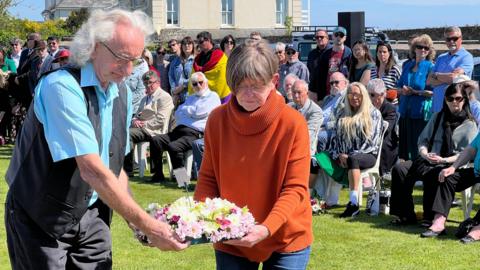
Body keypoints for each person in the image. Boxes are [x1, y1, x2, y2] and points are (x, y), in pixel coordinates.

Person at [4, 9, 187, 269]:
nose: (127, 71)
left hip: (92, 215)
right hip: (40, 216)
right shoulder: (62, 87)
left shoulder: (121, 92)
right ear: (93, 48)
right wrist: (151, 226)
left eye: (134, 61)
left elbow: (113, 169)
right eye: (122, 58)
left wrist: (136, 223)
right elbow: (92, 170)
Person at [194, 39, 312, 269]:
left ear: (274, 81)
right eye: (240, 85)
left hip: (286, 238)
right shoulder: (217, 120)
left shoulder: (293, 123)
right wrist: (198, 217)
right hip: (231, 236)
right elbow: (208, 178)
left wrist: (266, 228)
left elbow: (295, 188)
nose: (247, 94)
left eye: (256, 85)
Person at [390, 83, 476, 227]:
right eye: (450, 98)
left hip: (451, 164)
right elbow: (422, 140)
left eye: (458, 98)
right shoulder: (437, 117)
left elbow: (467, 153)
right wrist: (424, 154)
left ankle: (429, 217)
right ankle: (405, 214)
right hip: (427, 160)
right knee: (400, 169)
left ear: (465, 100)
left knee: (434, 173)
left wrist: (444, 159)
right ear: (445, 100)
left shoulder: (470, 124)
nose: (454, 102)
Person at [319, 82, 383, 217]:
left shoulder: (374, 114)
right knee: (318, 158)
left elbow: (372, 141)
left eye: (357, 94)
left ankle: (353, 204)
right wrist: (339, 154)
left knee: (353, 159)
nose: (354, 97)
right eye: (351, 94)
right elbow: (337, 138)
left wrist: (349, 155)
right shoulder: (343, 113)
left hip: (367, 154)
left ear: (363, 95)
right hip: (345, 155)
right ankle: (312, 198)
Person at [150, 71, 220, 182]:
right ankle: (158, 174)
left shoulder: (213, 97)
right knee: (156, 140)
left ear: (206, 82)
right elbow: (178, 113)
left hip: (195, 134)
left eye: (200, 82)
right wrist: (191, 112)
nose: (198, 86)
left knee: (174, 147)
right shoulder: (191, 98)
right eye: (195, 84)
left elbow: (200, 111)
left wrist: (187, 111)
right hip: (179, 130)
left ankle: (182, 180)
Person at [124, 70, 174, 176]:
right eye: (145, 83)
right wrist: (134, 121)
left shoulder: (164, 97)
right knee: (124, 132)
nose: (148, 85)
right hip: (143, 130)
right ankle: (127, 167)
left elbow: (161, 119)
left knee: (128, 134)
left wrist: (143, 124)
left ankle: (128, 170)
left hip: (156, 131)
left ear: (158, 82)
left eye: (151, 82)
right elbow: (137, 115)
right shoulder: (144, 99)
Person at [397, 34, 435, 161]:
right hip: (404, 111)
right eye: (420, 47)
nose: (423, 50)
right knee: (405, 146)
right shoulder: (407, 65)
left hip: (419, 113)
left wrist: (415, 92)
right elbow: (398, 87)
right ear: (414, 49)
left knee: (418, 146)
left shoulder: (430, 66)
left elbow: (433, 92)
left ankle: (419, 174)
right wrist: (403, 90)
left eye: (426, 48)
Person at [428, 26, 474, 114]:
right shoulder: (441, 57)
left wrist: (436, 75)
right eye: (448, 39)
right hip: (437, 110)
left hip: (455, 111)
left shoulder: (466, 57)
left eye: (454, 38)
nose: (451, 41)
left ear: (461, 39)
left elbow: (454, 78)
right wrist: (447, 79)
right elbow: (429, 80)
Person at [288, 79, 323, 192]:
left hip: (307, 150)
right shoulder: (288, 107)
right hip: (287, 147)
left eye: (299, 92)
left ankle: (307, 193)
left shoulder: (315, 111)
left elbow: (307, 135)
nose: (296, 95)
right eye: (294, 92)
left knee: (313, 163)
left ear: (307, 93)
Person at [309, 26, 352, 102]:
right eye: (336, 35)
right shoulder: (326, 54)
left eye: (341, 35)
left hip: (343, 95)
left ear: (345, 38)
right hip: (327, 95)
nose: (338, 37)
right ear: (332, 37)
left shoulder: (349, 54)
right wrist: (317, 94)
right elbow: (319, 77)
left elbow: (351, 75)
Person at [367, 79, 398, 176]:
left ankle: (381, 173)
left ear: (384, 94)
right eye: (372, 95)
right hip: (367, 138)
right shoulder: (365, 107)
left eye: (379, 95)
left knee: (381, 144)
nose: (375, 98)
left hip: (385, 140)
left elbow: (386, 130)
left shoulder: (390, 109)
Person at [190, 31, 231, 103]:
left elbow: (222, 79)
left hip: (219, 97)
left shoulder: (220, 56)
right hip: (201, 96)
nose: (199, 44)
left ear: (208, 40)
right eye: (198, 42)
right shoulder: (198, 58)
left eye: (201, 42)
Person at [169, 36, 195, 107]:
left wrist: (183, 85)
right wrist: (174, 91)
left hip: (192, 96)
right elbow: (171, 77)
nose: (187, 46)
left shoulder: (196, 60)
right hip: (179, 98)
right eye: (184, 44)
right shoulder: (175, 61)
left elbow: (197, 76)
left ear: (193, 45)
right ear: (181, 46)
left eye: (189, 43)